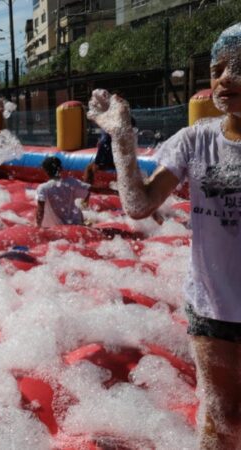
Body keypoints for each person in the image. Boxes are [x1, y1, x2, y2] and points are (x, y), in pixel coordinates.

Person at [86, 23, 241, 450]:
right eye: (217, 68)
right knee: (221, 416)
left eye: (239, 66)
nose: (225, 78)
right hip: (214, 307)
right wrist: (121, 136)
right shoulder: (195, 141)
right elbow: (138, 205)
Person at [35, 156, 95, 227]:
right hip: (75, 225)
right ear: (60, 168)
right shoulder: (71, 182)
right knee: (79, 210)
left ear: (45, 171)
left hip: (57, 228)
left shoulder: (43, 188)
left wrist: (37, 226)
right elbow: (92, 189)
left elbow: (40, 210)